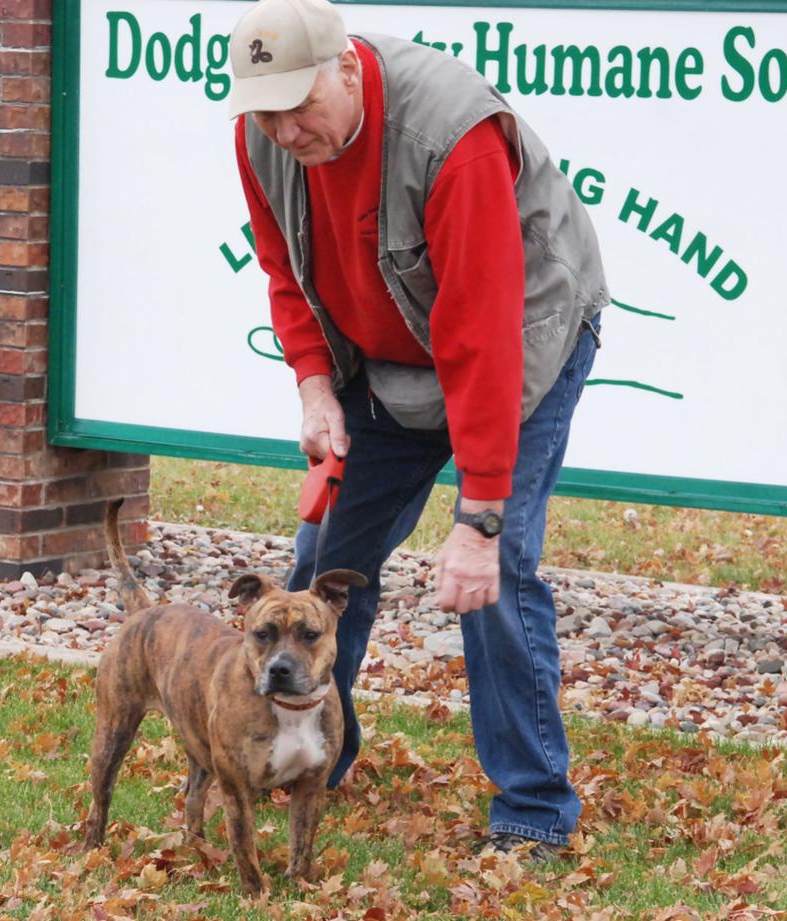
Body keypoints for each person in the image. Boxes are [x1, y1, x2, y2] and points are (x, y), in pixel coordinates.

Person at [228, 0, 608, 858]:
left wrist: (476, 518)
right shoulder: (263, 139)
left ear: (350, 69)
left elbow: (479, 333)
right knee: (322, 564)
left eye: (301, 105)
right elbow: (284, 270)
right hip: (386, 358)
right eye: (266, 109)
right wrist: (315, 386)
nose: (284, 129)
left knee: (496, 574)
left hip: (522, 339)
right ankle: (312, 755)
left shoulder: (453, 137)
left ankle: (533, 810)